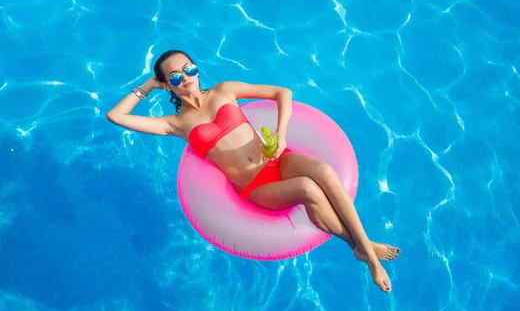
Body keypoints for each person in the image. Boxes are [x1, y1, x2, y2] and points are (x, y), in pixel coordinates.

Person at [106, 50, 400, 292]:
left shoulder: (224, 90)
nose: (185, 78)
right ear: (166, 84)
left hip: (278, 159)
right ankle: (369, 256)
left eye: (189, 69)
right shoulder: (176, 124)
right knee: (308, 189)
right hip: (255, 187)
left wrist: (280, 133)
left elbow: (281, 92)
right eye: (174, 76)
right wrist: (147, 85)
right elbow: (116, 116)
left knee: (323, 170)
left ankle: (364, 246)